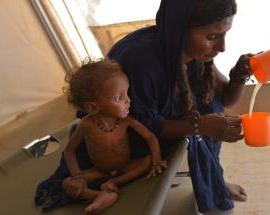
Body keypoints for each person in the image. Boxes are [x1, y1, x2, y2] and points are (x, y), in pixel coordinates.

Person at [107, 0, 253, 213]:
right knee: (206, 117)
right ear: (181, 29)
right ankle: (204, 183)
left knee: (209, 101)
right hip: (135, 144)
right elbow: (141, 125)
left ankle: (213, 180)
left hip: (169, 129)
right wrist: (200, 126)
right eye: (212, 37)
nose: (222, 47)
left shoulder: (193, 52)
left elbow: (227, 100)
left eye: (224, 34)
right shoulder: (139, 60)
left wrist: (239, 76)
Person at [35, 59, 167, 214]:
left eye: (127, 93)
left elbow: (150, 137)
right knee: (67, 182)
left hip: (126, 166)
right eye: (119, 98)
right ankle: (101, 195)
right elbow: (70, 152)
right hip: (98, 170)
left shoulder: (126, 121)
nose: (128, 100)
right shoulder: (87, 125)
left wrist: (157, 161)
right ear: (93, 107)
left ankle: (112, 184)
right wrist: (78, 177)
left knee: (146, 161)